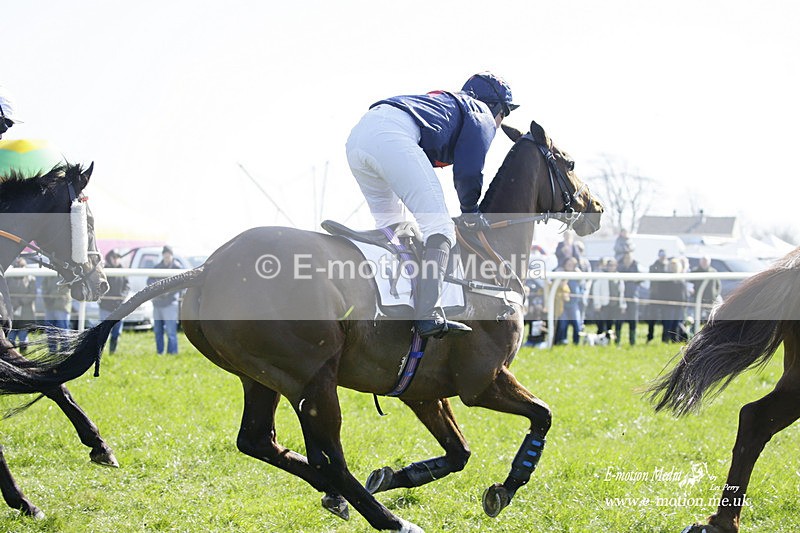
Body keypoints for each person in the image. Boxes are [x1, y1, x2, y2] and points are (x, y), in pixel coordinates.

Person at [346, 72, 518, 339]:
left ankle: (392, 298)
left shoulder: (451, 107)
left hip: (359, 138)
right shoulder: (481, 112)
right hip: (391, 135)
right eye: (504, 114)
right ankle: (428, 314)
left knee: (394, 228)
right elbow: (469, 172)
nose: (500, 123)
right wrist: (470, 211)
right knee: (439, 227)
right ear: (496, 107)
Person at [147, 246, 184, 355]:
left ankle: (173, 353)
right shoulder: (157, 267)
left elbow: (181, 284)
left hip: (170, 303)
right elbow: (149, 281)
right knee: (158, 331)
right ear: (163, 255)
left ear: (171, 255)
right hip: (157, 303)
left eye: (169, 254)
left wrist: (168, 292)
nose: (167, 256)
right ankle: (160, 352)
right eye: (165, 254)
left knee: (171, 332)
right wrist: (157, 291)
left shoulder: (177, 268)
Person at [98, 249, 130, 353]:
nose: (116, 260)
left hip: (119, 306)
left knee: (116, 332)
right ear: (110, 258)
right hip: (105, 306)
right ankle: (99, 352)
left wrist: (122, 297)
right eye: (114, 257)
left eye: (118, 258)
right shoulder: (104, 270)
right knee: (103, 332)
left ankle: (113, 351)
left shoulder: (123, 271)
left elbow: (127, 286)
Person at [6, 257, 37, 352]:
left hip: (25, 312)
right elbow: (6, 292)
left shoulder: (31, 278)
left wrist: (21, 301)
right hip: (12, 312)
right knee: (10, 338)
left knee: (23, 338)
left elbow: (32, 294)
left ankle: (24, 356)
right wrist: (13, 303)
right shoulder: (9, 278)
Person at [554, 257, 585, 345]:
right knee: (563, 323)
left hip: (573, 304)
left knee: (576, 323)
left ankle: (576, 342)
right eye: (569, 263)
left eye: (572, 264)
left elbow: (583, 283)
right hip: (561, 303)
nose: (570, 265)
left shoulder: (577, 274)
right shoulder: (560, 272)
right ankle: (562, 341)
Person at [41, 273, 72, 353]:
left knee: (63, 330)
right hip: (50, 306)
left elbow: (64, 288)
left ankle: (65, 352)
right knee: (50, 331)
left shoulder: (65, 272)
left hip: (61, 306)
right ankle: (52, 351)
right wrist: (47, 295)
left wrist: (50, 295)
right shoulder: (48, 274)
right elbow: (43, 286)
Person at [661, 258, 690, 342]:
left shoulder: (681, 278)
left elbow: (684, 293)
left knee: (677, 324)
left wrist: (685, 303)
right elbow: (663, 292)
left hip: (679, 306)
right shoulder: (666, 279)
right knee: (667, 324)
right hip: (668, 305)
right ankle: (665, 340)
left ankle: (675, 340)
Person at [616, 251, 641, 345]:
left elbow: (641, 279)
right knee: (619, 320)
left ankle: (632, 341)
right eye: (626, 258)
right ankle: (617, 340)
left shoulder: (636, 267)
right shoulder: (620, 268)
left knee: (633, 320)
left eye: (629, 258)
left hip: (633, 297)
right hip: (621, 297)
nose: (627, 260)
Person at [690, 255, 720, 329]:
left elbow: (718, 285)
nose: (704, 263)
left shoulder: (713, 271)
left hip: (710, 299)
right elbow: (690, 284)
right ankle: (693, 331)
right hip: (698, 299)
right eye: (703, 261)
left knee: (710, 317)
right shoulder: (695, 271)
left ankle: (709, 330)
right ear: (700, 262)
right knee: (697, 316)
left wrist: (715, 295)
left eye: (706, 261)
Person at [646, 249, 669, 343]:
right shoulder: (653, 267)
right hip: (655, 296)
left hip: (665, 296)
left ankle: (665, 338)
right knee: (652, 319)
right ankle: (650, 337)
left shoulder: (668, 267)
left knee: (665, 319)